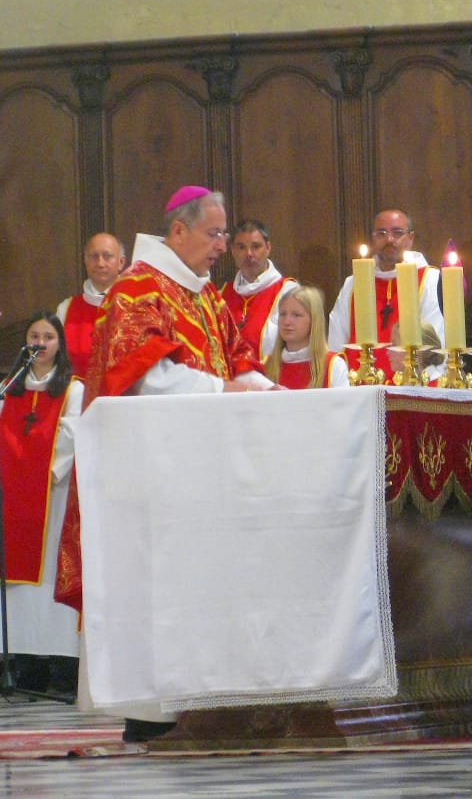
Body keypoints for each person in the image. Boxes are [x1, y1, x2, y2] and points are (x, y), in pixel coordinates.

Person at [54, 185, 275, 743]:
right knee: (159, 593)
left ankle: (206, 702)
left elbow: (239, 360)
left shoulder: (200, 292)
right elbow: (144, 379)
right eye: (215, 233)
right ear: (178, 231)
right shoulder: (138, 290)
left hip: (204, 469)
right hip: (154, 476)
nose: (223, 246)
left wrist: (266, 390)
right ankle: (151, 711)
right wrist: (226, 388)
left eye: (225, 233)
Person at [0, 312, 83, 695]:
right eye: (34, 336)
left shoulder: (73, 390)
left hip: (55, 495)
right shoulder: (7, 389)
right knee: (18, 589)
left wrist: (45, 474)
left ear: (59, 344)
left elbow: (72, 434)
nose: (40, 343)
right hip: (14, 500)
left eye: (48, 336)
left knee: (50, 574)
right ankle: (23, 663)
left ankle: (61, 666)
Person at [327, 208, 445, 380]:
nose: (389, 239)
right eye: (381, 233)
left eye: (397, 233)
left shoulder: (429, 280)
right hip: (358, 390)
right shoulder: (353, 283)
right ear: (373, 239)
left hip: (410, 389)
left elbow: (435, 344)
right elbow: (336, 344)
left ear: (411, 238)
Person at [219, 218, 296, 360]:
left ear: (268, 248)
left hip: (271, 378)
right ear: (233, 251)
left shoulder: (289, 293)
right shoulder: (221, 295)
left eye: (255, 246)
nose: (249, 254)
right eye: (241, 247)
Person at [56, 233, 126, 376]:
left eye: (107, 256)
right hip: (78, 395)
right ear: (85, 261)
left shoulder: (136, 306)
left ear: (121, 263)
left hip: (123, 397)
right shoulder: (66, 309)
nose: (100, 263)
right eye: (94, 256)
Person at [265, 284, 350, 390]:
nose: (286, 321)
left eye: (296, 315)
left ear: (314, 320)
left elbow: (343, 406)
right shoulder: (265, 366)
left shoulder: (333, 366)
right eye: (282, 314)